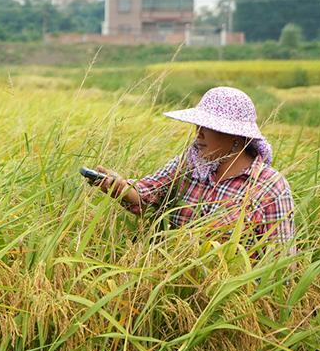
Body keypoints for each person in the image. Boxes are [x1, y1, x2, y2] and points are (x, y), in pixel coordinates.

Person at [90, 86, 295, 255]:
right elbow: (145, 195)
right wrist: (118, 187)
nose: (199, 134)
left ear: (236, 135)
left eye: (208, 127)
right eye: (198, 125)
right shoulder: (187, 166)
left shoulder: (269, 186)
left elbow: (281, 261)